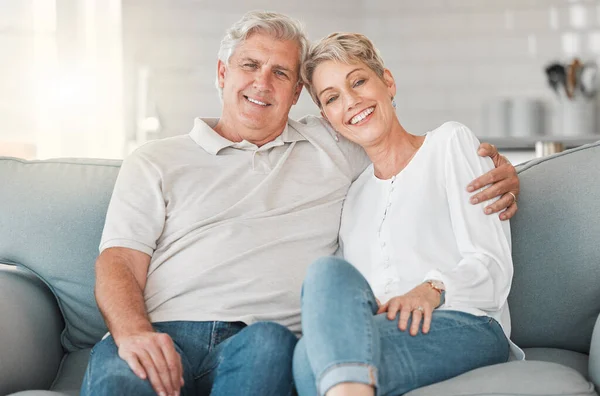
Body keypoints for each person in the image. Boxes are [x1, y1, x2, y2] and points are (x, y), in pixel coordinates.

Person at [81, 11, 520, 396]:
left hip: (264, 340)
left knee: (290, 325)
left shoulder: (334, 146)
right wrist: (133, 332)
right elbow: (118, 260)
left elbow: (405, 153)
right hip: (162, 329)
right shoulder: (155, 160)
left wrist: (504, 170)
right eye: (249, 65)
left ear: (295, 95)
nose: (261, 82)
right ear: (221, 72)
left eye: (280, 73)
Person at [292, 32, 524, 396]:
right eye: (333, 97)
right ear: (327, 118)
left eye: (358, 81)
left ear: (387, 81)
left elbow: (492, 265)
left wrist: (432, 289)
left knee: (314, 361)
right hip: (382, 331)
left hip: (465, 323)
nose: (351, 101)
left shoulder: (450, 143)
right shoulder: (353, 196)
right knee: (316, 315)